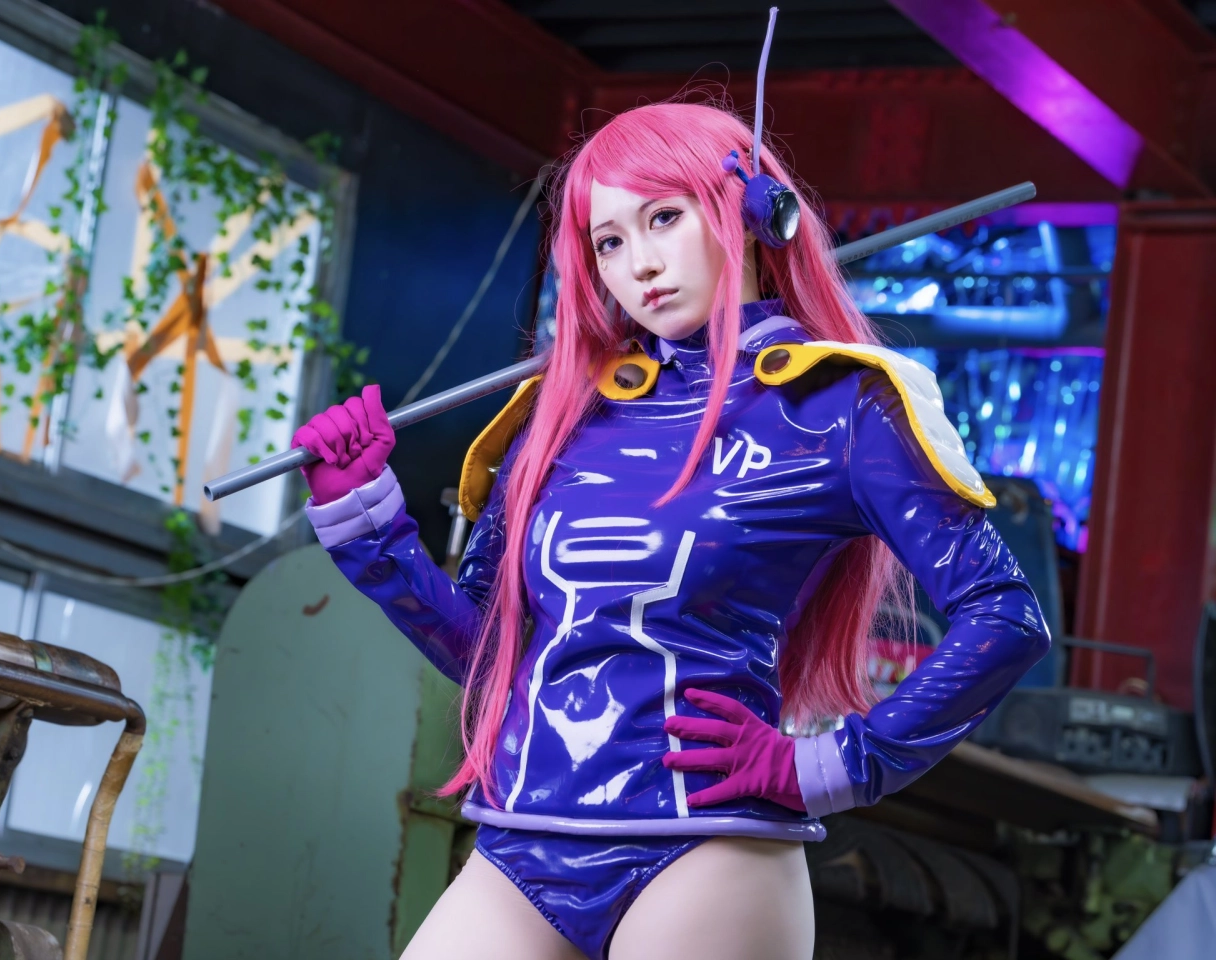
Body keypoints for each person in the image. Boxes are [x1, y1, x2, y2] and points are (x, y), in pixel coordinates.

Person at [291, 101, 1050, 960]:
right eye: (609, 241)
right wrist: (370, 525)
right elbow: (493, 655)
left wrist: (830, 765)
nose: (640, 264)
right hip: (525, 836)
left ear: (753, 213)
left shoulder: (843, 406)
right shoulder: (559, 413)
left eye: (663, 218)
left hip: (707, 847)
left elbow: (1005, 615)